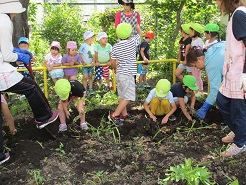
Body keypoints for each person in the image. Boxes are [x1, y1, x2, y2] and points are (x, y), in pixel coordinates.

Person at [0, 0, 58, 165]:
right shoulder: (4, 21)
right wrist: (19, 56)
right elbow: (7, 55)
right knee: (31, 87)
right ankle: (43, 117)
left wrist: (15, 51)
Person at [215, 0, 246, 157]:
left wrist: (245, 73)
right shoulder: (235, 15)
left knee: (238, 110)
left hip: (240, 72)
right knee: (222, 100)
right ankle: (238, 131)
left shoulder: (240, 14)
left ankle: (241, 143)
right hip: (232, 71)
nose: (216, 3)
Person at [108, 23, 142, 126]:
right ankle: (114, 115)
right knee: (129, 97)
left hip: (120, 74)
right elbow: (140, 34)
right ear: (130, 33)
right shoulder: (132, 42)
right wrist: (137, 26)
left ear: (117, 35)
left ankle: (124, 114)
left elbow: (112, 61)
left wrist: (115, 69)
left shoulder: (115, 46)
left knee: (122, 95)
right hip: (128, 74)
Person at [186, 42, 225, 119]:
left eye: (195, 66)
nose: (197, 68)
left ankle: (237, 128)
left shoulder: (211, 64)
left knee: (234, 103)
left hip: (241, 72)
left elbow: (215, 90)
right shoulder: (210, 50)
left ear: (199, 59)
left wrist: (205, 107)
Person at [189, 23, 204, 92]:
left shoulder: (199, 40)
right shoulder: (193, 40)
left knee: (197, 76)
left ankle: (200, 90)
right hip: (193, 61)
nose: (189, 32)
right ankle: (195, 90)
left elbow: (200, 51)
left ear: (194, 31)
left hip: (197, 61)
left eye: (190, 31)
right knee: (193, 76)